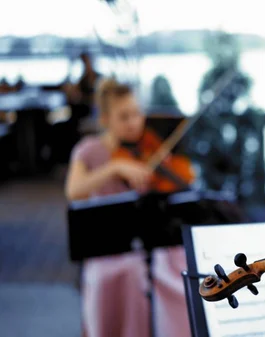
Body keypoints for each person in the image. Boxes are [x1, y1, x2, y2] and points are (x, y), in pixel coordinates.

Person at [65, 78, 191, 337]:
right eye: (124, 117)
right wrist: (113, 167)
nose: (134, 123)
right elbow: (74, 192)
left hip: (151, 240)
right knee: (128, 274)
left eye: (137, 114)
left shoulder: (147, 148)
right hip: (108, 246)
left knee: (182, 272)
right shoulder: (89, 150)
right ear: (105, 120)